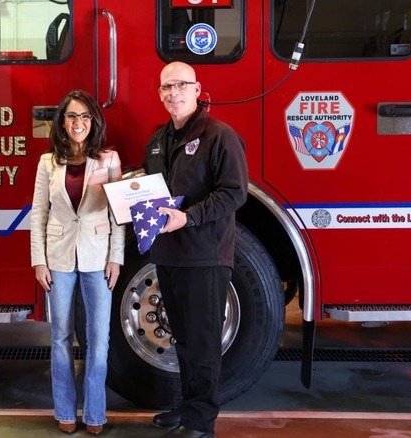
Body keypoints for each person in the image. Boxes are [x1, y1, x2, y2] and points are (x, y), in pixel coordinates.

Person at [146, 62, 248, 438]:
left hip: (205, 255)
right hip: (169, 254)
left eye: (180, 85)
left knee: (203, 342)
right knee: (184, 339)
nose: (173, 93)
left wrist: (188, 218)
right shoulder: (158, 139)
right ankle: (188, 407)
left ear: (196, 88)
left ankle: (201, 423)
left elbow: (234, 192)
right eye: (166, 87)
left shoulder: (219, 136)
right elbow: (151, 191)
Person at [30, 90, 124, 436]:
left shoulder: (109, 160)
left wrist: (116, 258)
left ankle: (95, 414)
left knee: (99, 339)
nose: (78, 122)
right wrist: (39, 261)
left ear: (94, 121)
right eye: (71, 116)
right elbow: (38, 213)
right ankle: (65, 410)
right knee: (60, 337)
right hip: (58, 257)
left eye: (85, 116)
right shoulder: (47, 163)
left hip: (98, 258)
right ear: (62, 122)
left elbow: (118, 214)